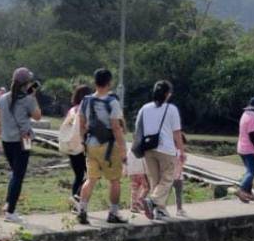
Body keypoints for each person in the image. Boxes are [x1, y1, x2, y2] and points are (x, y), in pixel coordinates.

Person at [76, 68, 127, 225]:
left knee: (91, 179)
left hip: (91, 144)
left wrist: (83, 141)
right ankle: (113, 213)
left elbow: (82, 124)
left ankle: (82, 210)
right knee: (114, 180)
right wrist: (123, 149)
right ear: (109, 82)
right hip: (109, 146)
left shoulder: (86, 100)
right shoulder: (112, 102)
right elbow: (116, 127)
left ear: (95, 81)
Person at [0, 68, 42, 224]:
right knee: (18, 175)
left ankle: (9, 201)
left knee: (15, 172)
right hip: (24, 140)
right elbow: (38, 117)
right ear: (27, 84)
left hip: (7, 140)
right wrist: (34, 97)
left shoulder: (2, 98)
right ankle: (11, 210)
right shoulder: (28, 99)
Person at [133, 80, 184, 220]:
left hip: (149, 149)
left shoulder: (144, 108)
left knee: (155, 180)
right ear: (167, 94)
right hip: (166, 149)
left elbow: (138, 129)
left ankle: (159, 211)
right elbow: (177, 133)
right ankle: (152, 201)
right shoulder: (171, 109)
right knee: (167, 179)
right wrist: (182, 151)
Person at [58, 84, 92, 211]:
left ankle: (74, 202)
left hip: (71, 145)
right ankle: (77, 198)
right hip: (83, 146)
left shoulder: (72, 110)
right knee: (92, 176)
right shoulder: (86, 110)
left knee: (78, 175)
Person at [236, 96, 254, 203]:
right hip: (250, 149)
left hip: (242, 148)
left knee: (249, 171)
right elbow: (252, 134)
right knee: (252, 172)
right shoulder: (253, 117)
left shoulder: (246, 114)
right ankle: (241, 189)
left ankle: (248, 193)